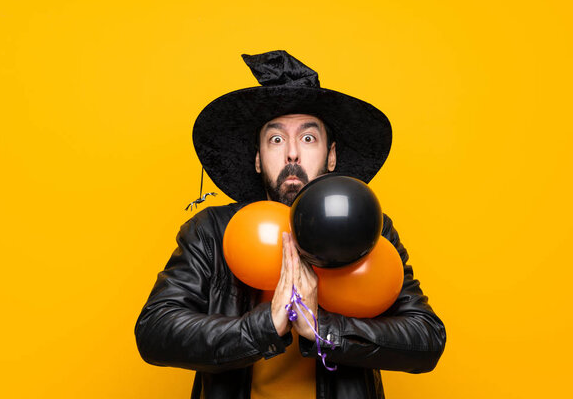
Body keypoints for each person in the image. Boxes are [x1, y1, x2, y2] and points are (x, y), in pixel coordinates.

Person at [134, 50, 446, 399]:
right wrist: (264, 326)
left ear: (331, 156)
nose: (292, 153)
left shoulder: (370, 231)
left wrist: (321, 328)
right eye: (276, 139)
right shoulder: (212, 231)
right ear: (257, 158)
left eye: (308, 138)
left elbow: (426, 338)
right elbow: (155, 331)